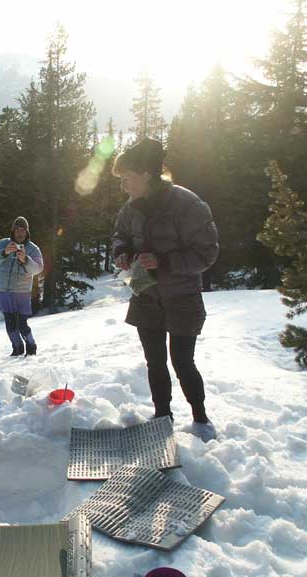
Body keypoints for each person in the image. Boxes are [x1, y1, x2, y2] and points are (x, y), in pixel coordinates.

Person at [111, 138, 220, 441]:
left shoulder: (188, 205)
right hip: (145, 295)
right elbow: (120, 234)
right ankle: (162, 417)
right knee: (154, 361)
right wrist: (121, 252)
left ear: (145, 174)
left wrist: (163, 261)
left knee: (182, 360)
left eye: (126, 179)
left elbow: (207, 253)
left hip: (181, 296)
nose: (124, 186)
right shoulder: (131, 208)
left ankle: (200, 419)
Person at [0, 216, 44, 356]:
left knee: (22, 324)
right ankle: (17, 348)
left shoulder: (33, 249)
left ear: (27, 232)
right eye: (18, 230)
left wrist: (25, 260)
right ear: (13, 231)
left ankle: (31, 346)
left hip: (22, 292)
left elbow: (38, 269)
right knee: (10, 324)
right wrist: (4, 252)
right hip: (3, 290)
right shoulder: (3, 243)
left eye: (23, 230)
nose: (20, 233)